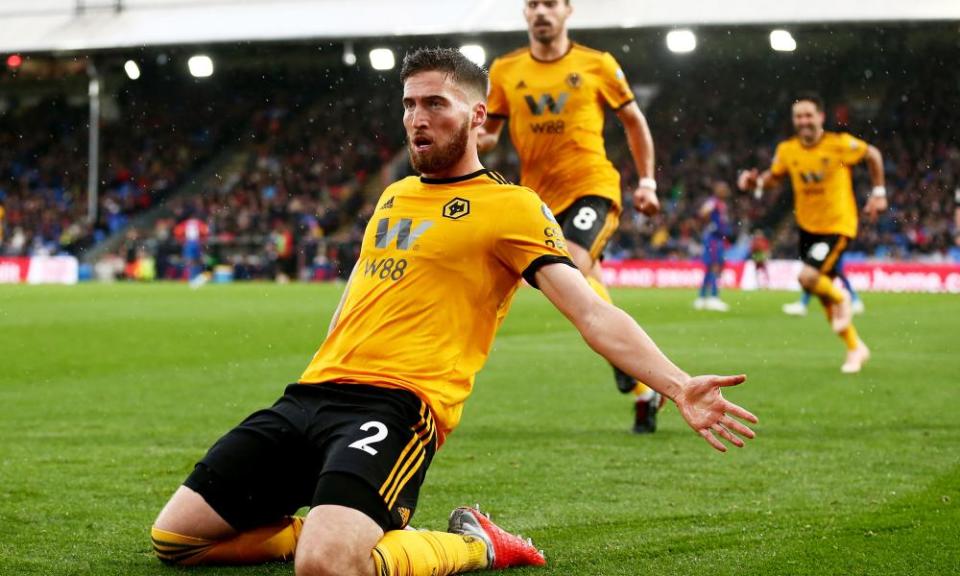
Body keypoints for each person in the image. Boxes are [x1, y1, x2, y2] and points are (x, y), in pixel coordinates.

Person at [151, 48, 758, 576]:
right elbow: (355, 297)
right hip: (310, 395)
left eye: (435, 104)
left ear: (476, 117)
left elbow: (592, 312)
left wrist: (676, 385)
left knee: (328, 568)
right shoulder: (393, 195)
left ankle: (474, 546)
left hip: (397, 407)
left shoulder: (512, 207)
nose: (417, 118)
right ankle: (333, 530)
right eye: (410, 105)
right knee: (176, 539)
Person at [479, 0, 663, 432]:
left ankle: (629, 368)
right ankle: (640, 385)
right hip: (536, 200)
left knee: (573, 264)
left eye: (550, 3)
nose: (541, 11)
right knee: (577, 278)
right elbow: (490, 131)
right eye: (533, 4)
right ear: (525, 13)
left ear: (567, 11)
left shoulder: (597, 64)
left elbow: (634, 122)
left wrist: (648, 181)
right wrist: (479, 139)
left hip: (592, 187)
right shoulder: (504, 70)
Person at [738, 92, 887, 373]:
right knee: (821, 293)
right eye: (798, 116)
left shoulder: (839, 145)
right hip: (808, 227)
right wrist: (754, 183)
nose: (803, 121)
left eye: (808, 115)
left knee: (808, 278)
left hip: (837, 224)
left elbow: (873, 155)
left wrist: (879, 193)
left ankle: (845, 299)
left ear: (821, 117)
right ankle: (855, 348)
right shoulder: (787, 150)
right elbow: (774, 178)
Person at [694, 181, 732, 312]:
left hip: (719, 238)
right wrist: (710, 224)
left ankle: (702, 297)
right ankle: (713, 298)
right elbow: (703, 212)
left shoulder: (721, 204)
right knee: (714, 266)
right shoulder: (714, 202)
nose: (725, 191)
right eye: (723, 188)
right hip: (713, 238)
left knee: (712, 267)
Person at [782, 257, 864, 316]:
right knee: (815, 276)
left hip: (832, 249)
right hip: (829, 248)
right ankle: (855, 301)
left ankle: (855, 301)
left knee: (838, 274)